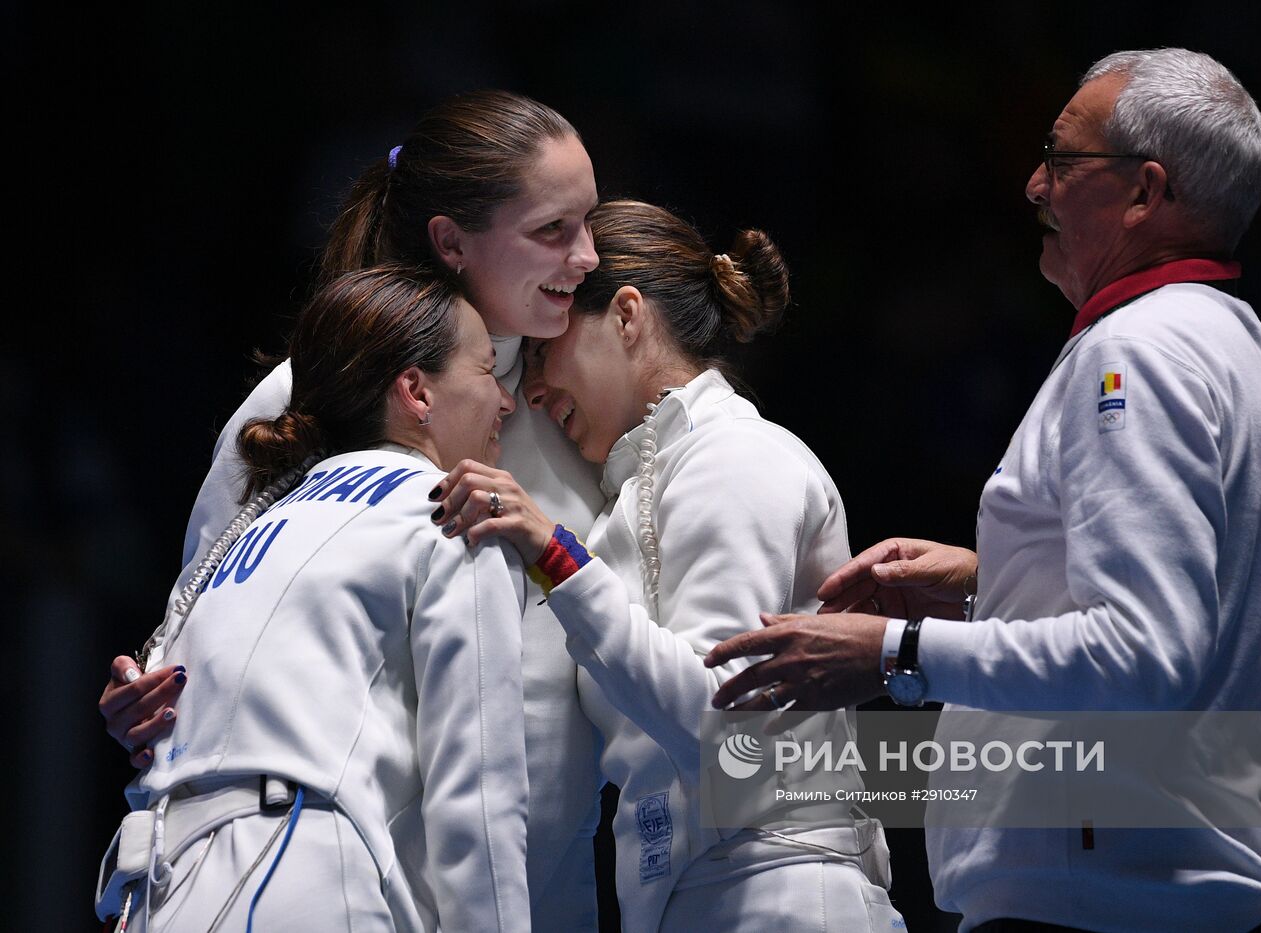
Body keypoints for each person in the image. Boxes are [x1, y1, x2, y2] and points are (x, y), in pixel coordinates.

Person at [707, 48, 1261, 932]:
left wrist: (892, 651)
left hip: (1096, 903)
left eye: (1063, 162)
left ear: (1146, 193)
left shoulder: (1139, 355)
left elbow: (1144, 656)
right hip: (1160, 889)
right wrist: (989, 580)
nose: (1035, 185)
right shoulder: (1250, 357)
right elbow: (1192, 615)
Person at [97, 90, 606, 929]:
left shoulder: (591, 396)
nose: (587, 256)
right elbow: (211, 616)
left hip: (543, 893)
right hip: (352, 883)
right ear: (451, 241)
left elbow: (678, 675)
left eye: (589, 221)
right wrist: (152, 696)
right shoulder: (308, 398)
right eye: (553, 230)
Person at [428, 199, 904, 932]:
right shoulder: (640, 493)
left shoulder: (735, 455)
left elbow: (721, 714)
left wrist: (556, 557)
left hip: (781, 891)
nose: (531, 389)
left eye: (548, 346)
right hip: (696, 900)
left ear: (626, 316)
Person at [95, 266, 527, 931]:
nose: (506, 399)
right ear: (415, 390)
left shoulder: (253, 525)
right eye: (487, 369)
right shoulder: (455, 514)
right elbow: (479, 802)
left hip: (157, 889)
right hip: (301, 874)